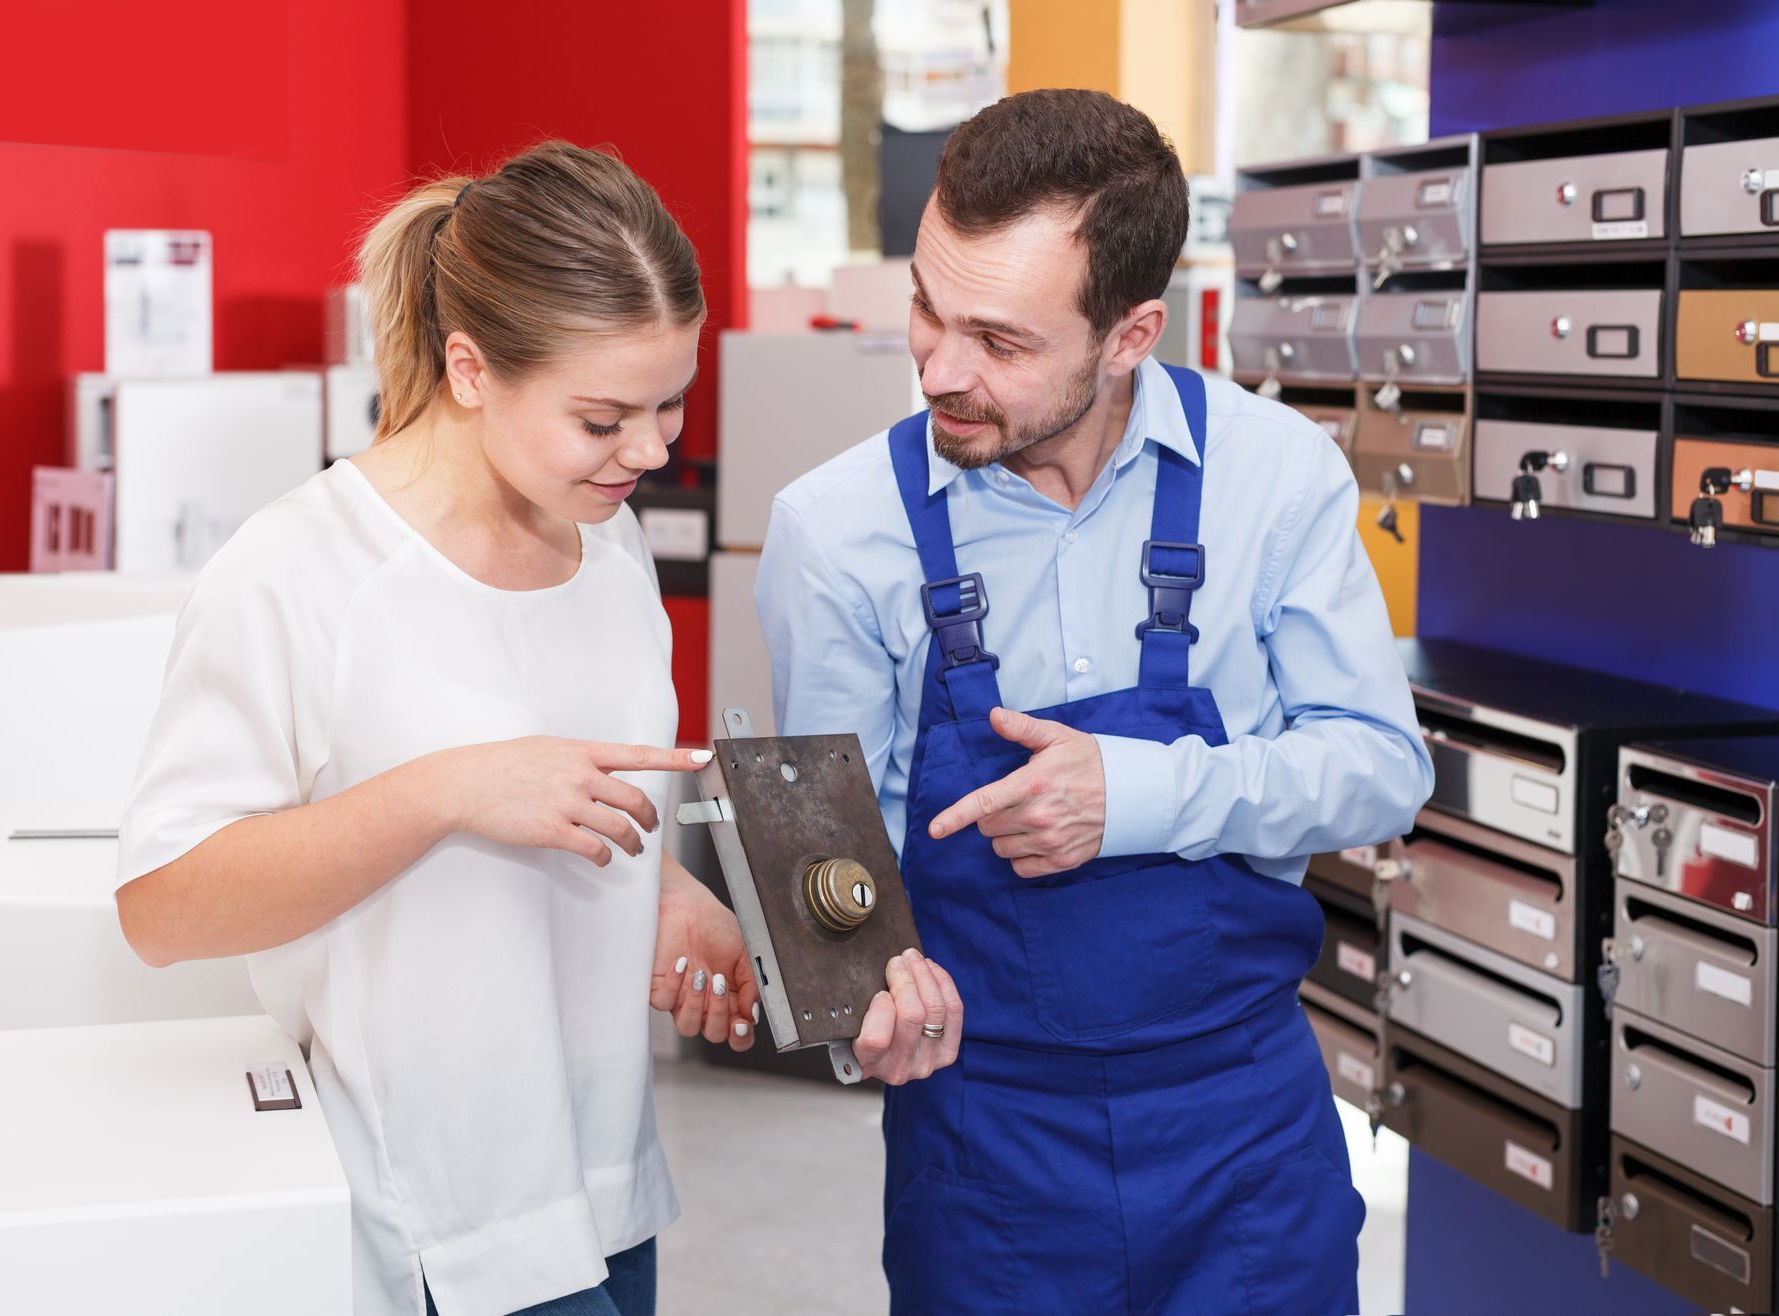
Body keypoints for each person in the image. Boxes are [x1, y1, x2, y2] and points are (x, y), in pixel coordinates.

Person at [114, 143, 955, 1316]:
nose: (651, 450)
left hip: (603, 1184)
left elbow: (558, 801)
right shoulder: (299, 571)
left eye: (670, 404)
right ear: (469, 368)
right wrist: (449, 788)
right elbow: (162, 906)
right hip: (430, 1221)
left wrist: (668, 895)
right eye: (603, 417)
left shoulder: (608, 544)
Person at [756, 90, 1435, 1314]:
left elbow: (1384, 766)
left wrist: (1142, 791)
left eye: (999, 340)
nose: (940, 369)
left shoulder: (1276, 475)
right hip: (987, 1147)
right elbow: (830, 871)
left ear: (1131, 335)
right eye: (927, 307)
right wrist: (859, 992)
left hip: (1245, 1132)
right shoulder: (833, 532)